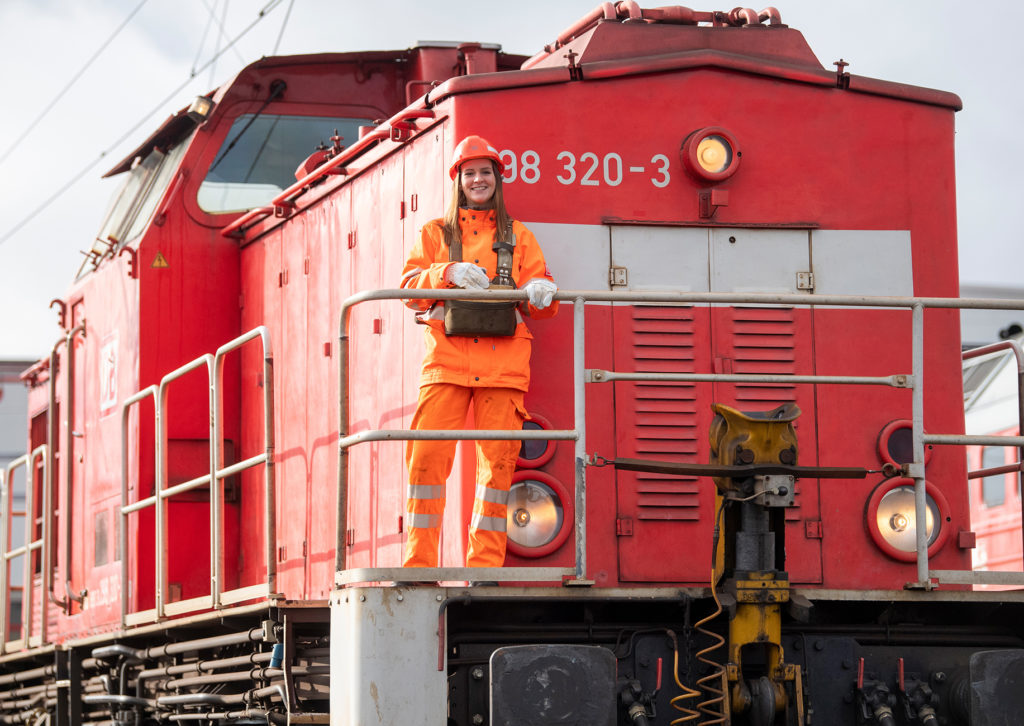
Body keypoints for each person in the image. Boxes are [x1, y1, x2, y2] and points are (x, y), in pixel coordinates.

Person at [399, 135, 559, 575]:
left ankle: (483, 570)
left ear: (497, 178)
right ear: (458, 180)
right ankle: (418, 569)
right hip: (446, 365)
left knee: (497, 471)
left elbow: (539, 296)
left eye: (485, 172)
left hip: (502, 368)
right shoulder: (434, 233)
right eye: (469, 173)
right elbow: (408, 291)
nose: (477, 180)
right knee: (426, 463)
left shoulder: (518, 236)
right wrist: (446, 271)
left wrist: (544, 290)